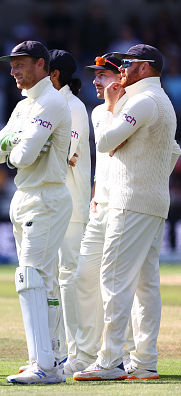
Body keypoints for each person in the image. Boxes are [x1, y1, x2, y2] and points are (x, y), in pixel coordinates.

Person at [73, 45, 177, 381]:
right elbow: (173, 151)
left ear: (145, 68)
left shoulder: (143, 101)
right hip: (150, 201)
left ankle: (109, 360)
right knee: (146, 285)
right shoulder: (157, 101)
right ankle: (145, 361)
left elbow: (104, 141)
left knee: (114, 279)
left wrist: (112, 106)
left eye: (128, 64)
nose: (123, 70)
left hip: (130, 200)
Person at [0, 40, 72, 384]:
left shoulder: (51, 101)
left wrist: (16, 147)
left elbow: (21, 158)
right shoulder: (25, 107)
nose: (13, 71)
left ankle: (44, 365)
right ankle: (51, 357)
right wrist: (16, 142)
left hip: (47, 196)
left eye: (20, 64)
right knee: (43, 282)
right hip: (25, 195)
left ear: (41, 64)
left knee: (30, 278)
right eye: (11, 65)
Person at [65, 52, 129, 376]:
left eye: (102, 75)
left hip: (126, 206)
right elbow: (105, 155)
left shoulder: (135, 109)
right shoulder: (97, 111)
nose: (95, 80)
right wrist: (93, 193)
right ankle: (86, 354)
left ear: (120, 78)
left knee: (118, 283)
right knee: (83, 279)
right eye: (95, 75)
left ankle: (125, 355)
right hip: (99, 205)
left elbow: (114, 147)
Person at [47, 49, 91, 365]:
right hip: (51, 204)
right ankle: (55, 352)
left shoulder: (73, 107)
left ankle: (77, 354)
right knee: (50, 279)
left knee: (69, 278)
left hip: (72, 206)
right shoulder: (52, 105)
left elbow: (62, 156)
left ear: (54, 75)